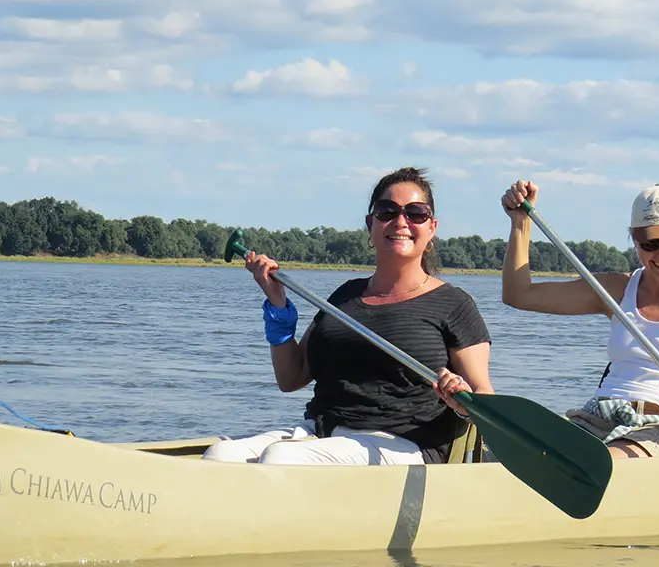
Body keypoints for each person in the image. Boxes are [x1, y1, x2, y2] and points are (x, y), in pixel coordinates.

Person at [203, 167, 494, 465]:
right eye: (387, 211)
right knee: (220, 455)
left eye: (415, 213)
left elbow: (484, 398)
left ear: (431, 227)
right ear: (371, 224)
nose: (400, 221)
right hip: (322, 433)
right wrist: (277, 305)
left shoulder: (454, 304)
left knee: (281, 458)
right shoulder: (345, 297)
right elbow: (291, 377)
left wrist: (461, 398)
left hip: (403, 443)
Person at [500, 180, 659, 459]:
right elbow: (519, 295)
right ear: (634, 239)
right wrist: (520, 222)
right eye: (651, 244)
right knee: (518, 456)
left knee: (604, 462)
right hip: (599, 415)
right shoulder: (615, 290)